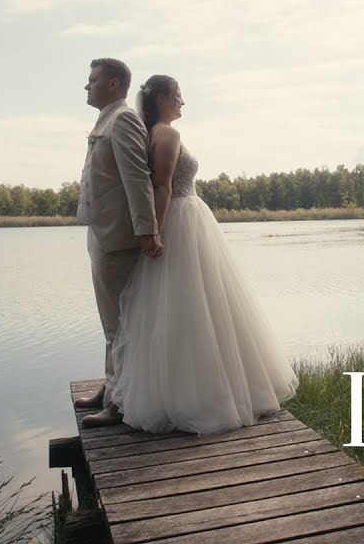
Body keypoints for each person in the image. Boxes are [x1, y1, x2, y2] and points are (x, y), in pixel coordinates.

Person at [105, 74, 298, 434]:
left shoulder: (150, 133)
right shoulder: (167, 133)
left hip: (183, 221)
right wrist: (156, 232)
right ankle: (200, 397)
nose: (182, 102)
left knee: (182, 311)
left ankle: (179, 390)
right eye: (177, 95)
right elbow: (161, 185)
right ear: (160, 97)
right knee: (196, 308)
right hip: (181, 222)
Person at [75, 58, 163, 428]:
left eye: (92, 79)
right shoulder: (106, 119)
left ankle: (120, 404)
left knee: (122, 323)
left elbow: (137, 179)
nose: (86, 86)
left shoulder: (123, 119)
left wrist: (147, 230)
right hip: (101, 233)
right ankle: (112, 387)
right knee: (110, 322)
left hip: (119, 239)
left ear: (114, 84)